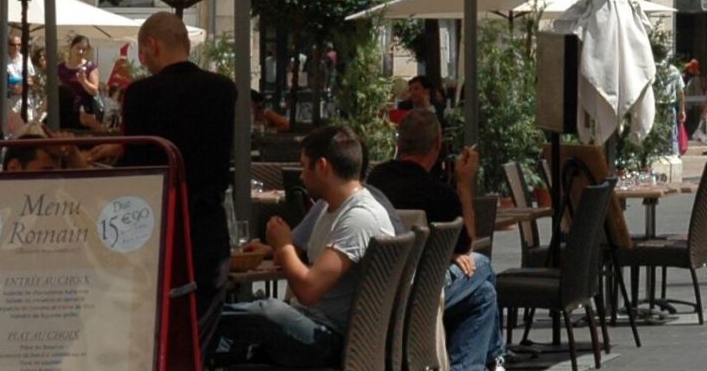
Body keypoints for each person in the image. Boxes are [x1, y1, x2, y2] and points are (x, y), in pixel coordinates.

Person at [210, 125, 397, 368]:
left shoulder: (359, 217)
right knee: (242, 338)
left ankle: (193, 321)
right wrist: (274, 248)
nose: (300, 176)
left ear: (322, 167)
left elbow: (308, 290)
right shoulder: (331, 208)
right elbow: (293, 264)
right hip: (313, 326)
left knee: (269, 311)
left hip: (332, 339)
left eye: (303, 166)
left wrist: (284, 245)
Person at [363, 109, 504, 371]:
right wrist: (463, 184)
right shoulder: (440, 195)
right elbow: (466, 245)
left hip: (379, 284)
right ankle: (495, 359)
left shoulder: (377, 178)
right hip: (421, 289)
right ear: (437, 145)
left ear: (398, 143)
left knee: (484, 295)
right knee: (483, 266)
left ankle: (486, 363)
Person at [119, 12, 238, 311]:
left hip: (161, 227)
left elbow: (136, 166)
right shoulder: (224, 90)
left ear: (153, 45)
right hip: (209, 228)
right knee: (203, 328)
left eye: (143, 54)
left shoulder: (140, 95)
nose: (143, 62)